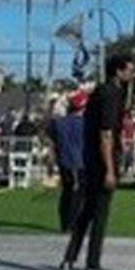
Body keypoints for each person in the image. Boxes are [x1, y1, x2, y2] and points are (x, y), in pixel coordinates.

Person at [58, 54, 135, 270]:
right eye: (129, 70)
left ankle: (69, 259)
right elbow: (106, 133)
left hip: (91, 160)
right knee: (99, 214)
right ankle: (92, 264)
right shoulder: (111, 95)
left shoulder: (100, 93)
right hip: (102, 162)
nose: (133, 75)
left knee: (86, 213)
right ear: (118, 71)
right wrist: (110, 169)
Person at [47, 89, 87, 232]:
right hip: (79, 162)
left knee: (67, 192)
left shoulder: (60, 123)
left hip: (64, 162)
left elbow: (52, 140)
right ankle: (73, 223)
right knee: (78, 194)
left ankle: (65, 223)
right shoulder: (85, 123)